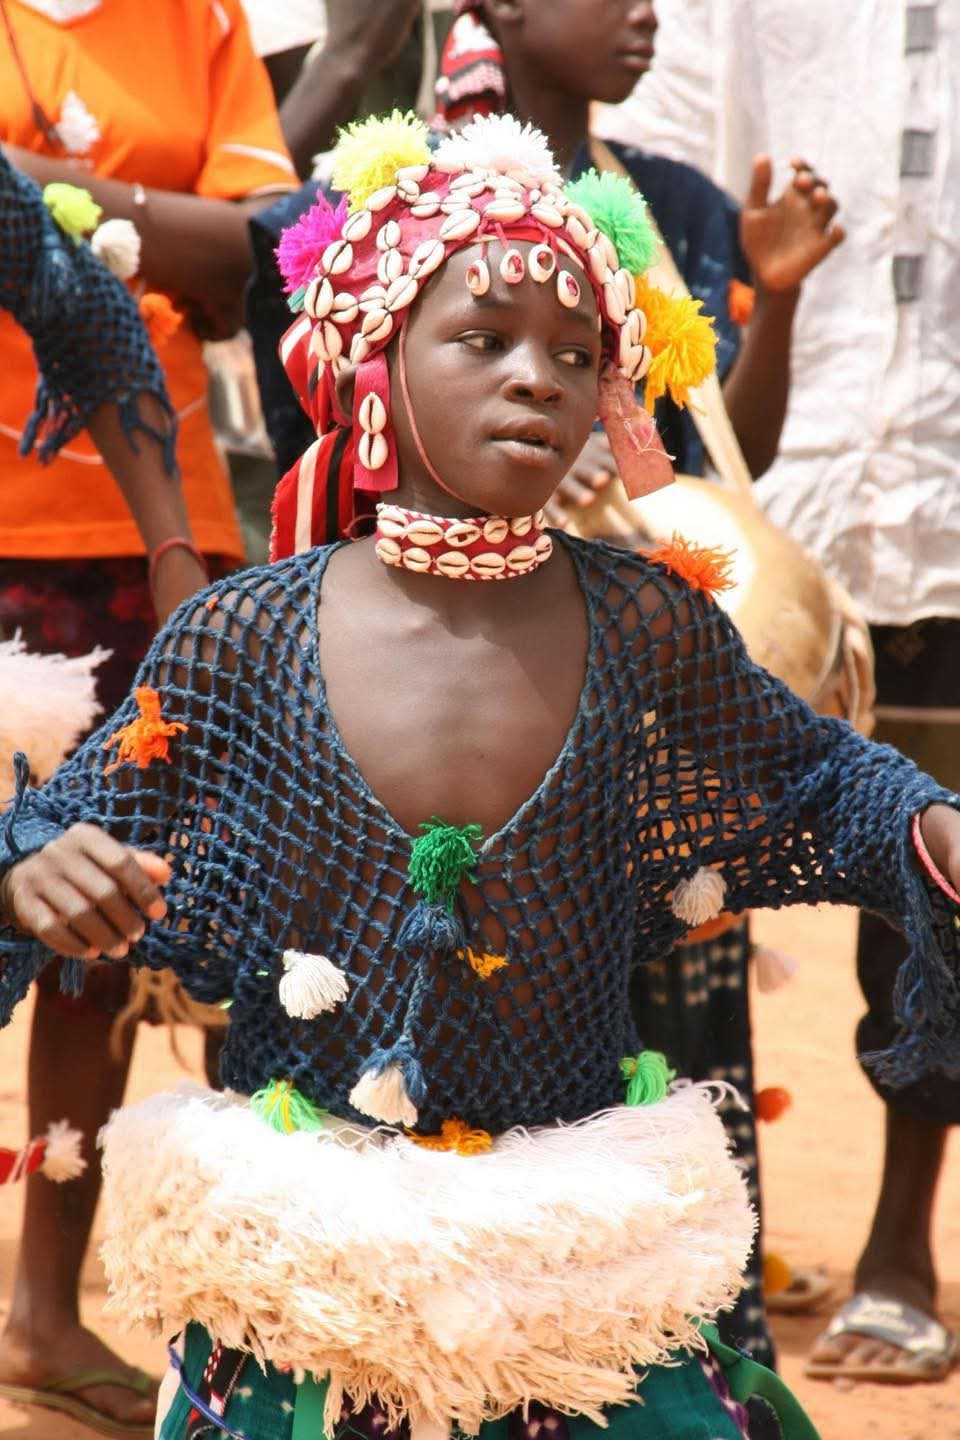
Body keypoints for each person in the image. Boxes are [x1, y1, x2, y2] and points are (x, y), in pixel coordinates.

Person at [0, 111, 958, 1440]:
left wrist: (924, 823)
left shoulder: (645, 622)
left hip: (575, 1266)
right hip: (314, 1271)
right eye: (485, 339)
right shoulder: (248, 633)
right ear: (376, 368)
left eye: (577, 355)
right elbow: (70, 816)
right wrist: (30, 865)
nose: (537, 378)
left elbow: (815, 782)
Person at [599, 0, 960, 1384]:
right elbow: (653, 157)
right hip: (786, 536)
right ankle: (691, 1247)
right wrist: (778, 292)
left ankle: (900, 1252)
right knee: (760, 876)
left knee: (933, 872)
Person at [0, 2, 296, 1432]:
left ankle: (47, 1307)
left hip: (147, 527)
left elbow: (260, 252)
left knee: (102, 924)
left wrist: (52, 200)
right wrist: (140, 221)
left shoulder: (205, 18)